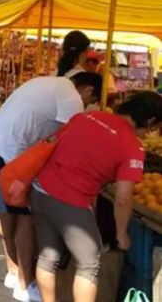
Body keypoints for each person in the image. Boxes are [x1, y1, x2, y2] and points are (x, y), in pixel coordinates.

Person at [0, 72, 103, 302]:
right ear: (87, 90)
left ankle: (13, 272)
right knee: (24, 217)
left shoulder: (52, 83)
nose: (86, 105)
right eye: (90, 101)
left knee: (6, 212)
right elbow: (73, 139)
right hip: (10, 152)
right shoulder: (72, 98)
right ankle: (25, 285)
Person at [32, 91, 162, 302]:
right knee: (89, 265)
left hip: (39, 189)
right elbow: (123, 198)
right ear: (149, 120)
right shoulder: (132, 146)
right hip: (70, 201)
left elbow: (58, 144)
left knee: (48, 257)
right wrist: (122, 234)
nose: (150, 133)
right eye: (154, 127)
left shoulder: (85, 116)